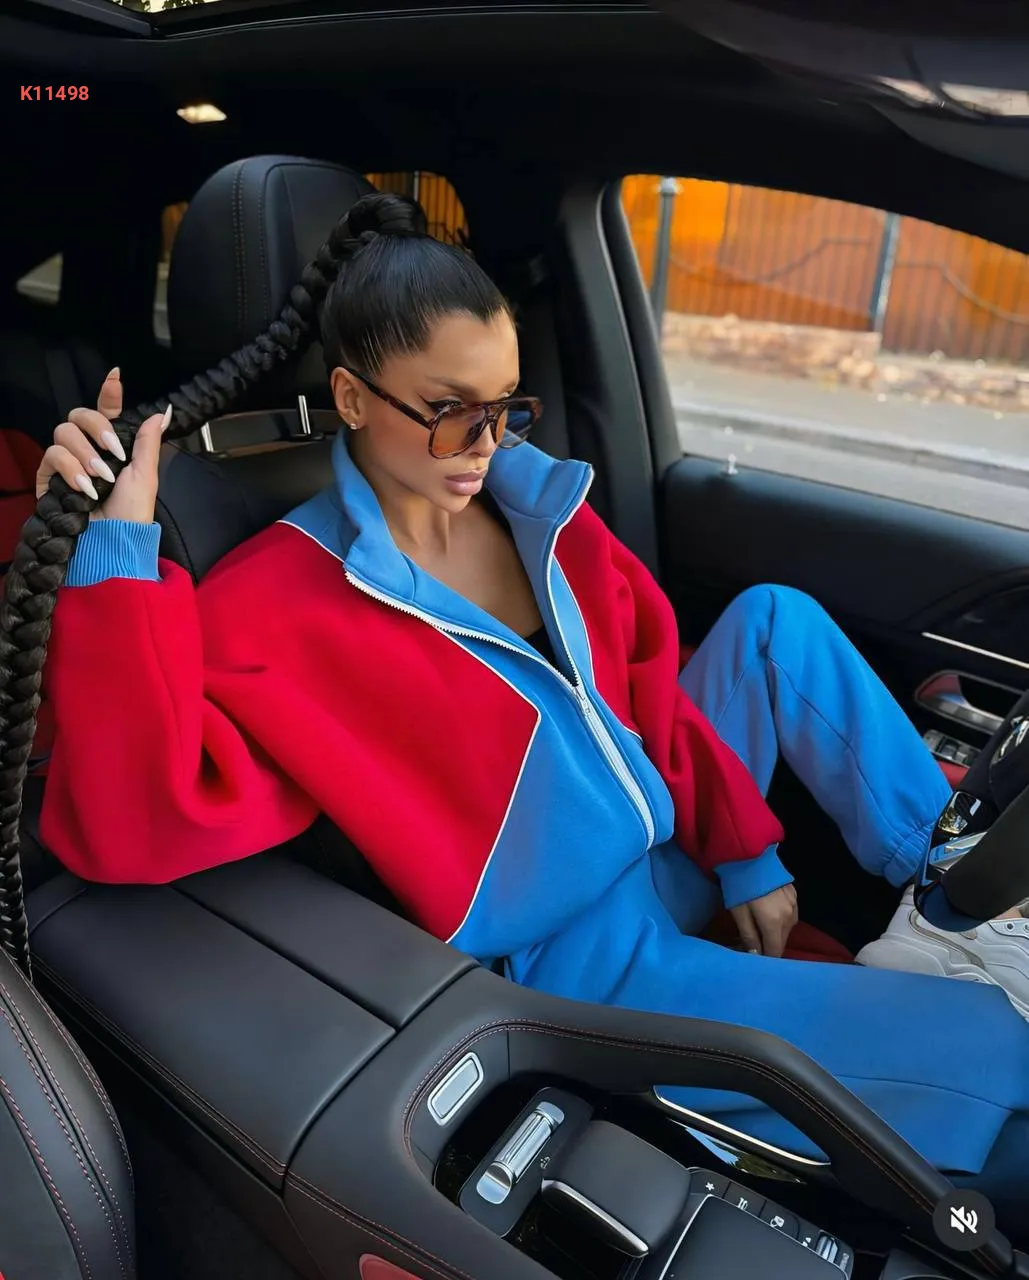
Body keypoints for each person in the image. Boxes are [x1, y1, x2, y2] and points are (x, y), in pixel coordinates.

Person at [24, 192, 1029, 1203]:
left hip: (661, 839)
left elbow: (649, 692)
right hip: (576, 950)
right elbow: (130, 820)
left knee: (776, 621)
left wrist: (741, 846)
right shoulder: (275, 603)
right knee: (991, 1048)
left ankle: (947, 907)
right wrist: (115, 549)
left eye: (505, 405)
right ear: (354, 397)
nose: (485, 441)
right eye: (450, 409)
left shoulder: (538, 505)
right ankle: (952, 975)